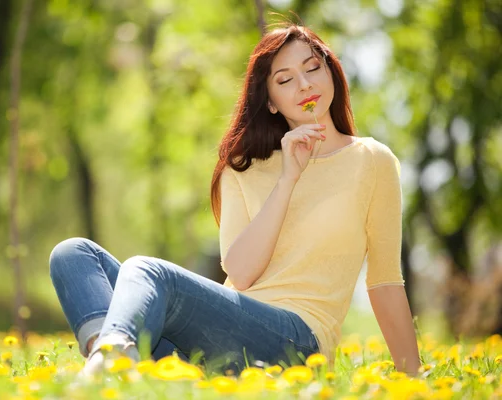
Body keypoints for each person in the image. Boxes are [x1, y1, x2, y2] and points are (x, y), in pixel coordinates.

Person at [49, 22, 421, 377]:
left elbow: (385, 281)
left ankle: (107, 365)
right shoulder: (243, 168)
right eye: (285, 79)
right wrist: (288, 179)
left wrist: (413, 379)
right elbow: (241, 274)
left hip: (297, 345)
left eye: (313, 68)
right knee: (73, 254)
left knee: (148, 272)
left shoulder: (371, 160)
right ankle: (111, 359)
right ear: (271, 101)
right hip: (218, 339)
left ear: (332, 74)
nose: (304, 84)